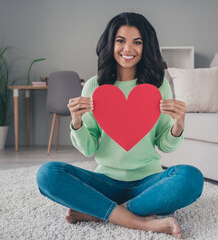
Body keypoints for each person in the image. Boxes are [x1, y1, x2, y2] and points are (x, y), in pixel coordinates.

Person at [37, 12, 203, 239]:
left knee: (191, 178)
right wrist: (76, 123)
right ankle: (142, 222)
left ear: (147, 46)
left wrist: (179, 125)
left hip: (148, 181)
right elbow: (88, 148)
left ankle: (99, 212)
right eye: (120, 41)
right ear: (110, 44)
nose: (128, 49)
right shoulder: (95, 86)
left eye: (137, 42)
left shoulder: (158, 86)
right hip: (105, 181)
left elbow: (164, 145)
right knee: (48, 174)